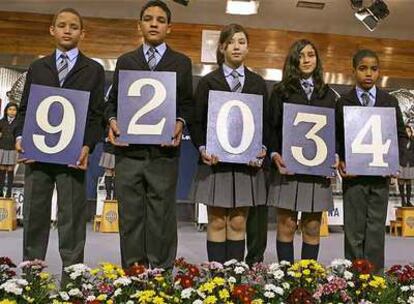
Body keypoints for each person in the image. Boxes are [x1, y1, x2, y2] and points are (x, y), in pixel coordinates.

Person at [15, 8, 105, 281]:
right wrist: (21, 138)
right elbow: (24, 109)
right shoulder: (37, 67)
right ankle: (30, 283)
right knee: (34, 218)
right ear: (52, 30)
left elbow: (97, 115)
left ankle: (72, 283)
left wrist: (87, 146)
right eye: (62, 25)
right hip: (37, 157)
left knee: (73, 222)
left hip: (73, 158)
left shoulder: (94, 70)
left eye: (74, 26)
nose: (68, 30)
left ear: (82, 33)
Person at [105, 0, 193, 269]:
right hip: (129, 153)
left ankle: (161, 274)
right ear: (139, 25)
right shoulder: (126, 61)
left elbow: (188, 103)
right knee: (130, 216)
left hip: (164, 155)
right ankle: (133, 274)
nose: (154, 23)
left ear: (169, 27)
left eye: (160, 19)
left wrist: (180, 121)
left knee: (162, 216)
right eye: (148, 18)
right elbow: (112, 102)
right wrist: (112, 120)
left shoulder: (181, 62)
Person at [190, 23, 268, 263]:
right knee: (216, 220)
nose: (237, 46)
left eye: (242, 42)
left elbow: (265, 124)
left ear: (247, 48)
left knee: (237, 221)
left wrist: (263, 148)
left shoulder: (257, 83)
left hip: (246, 166)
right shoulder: (208, 82)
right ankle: (216, 280)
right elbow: (196, 122)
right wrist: (203, 149)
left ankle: (234, 283)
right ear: (222, 47)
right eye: (232, 42)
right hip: (215, 165)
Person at [267, 39, 338, 263]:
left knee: (313, 226)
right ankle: (285, 279)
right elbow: (271, 128)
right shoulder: (280, 91)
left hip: (317, 172)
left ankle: (306, 280)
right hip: (288, 169)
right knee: (286, 224)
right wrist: (274, 154)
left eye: (311, 55)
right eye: (301, 55)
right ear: (293, 60)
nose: (306, 59)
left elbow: (336, 132)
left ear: (317, 60)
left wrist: (334, 155)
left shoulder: (328, 94)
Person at [336, 49, 407, 272]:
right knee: (354, 230)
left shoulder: (389, 101)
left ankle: (375, 278)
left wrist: (396, 161)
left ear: (379, 72)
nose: (368, 73)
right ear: (354, 70)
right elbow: (337, 137)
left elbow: (401, 134)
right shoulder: (343, 102)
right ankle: (354, 278)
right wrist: (341, 160)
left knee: (376, 229)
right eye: (363, 68)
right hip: (354, 178)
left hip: (380, 177)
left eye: (373, 69)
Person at [0, 102, 19, 197]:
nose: (12, 112)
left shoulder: (18, 123)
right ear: (6, 111)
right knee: (2, 169)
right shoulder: (2, 121)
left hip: (12, 149)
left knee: (10, 170)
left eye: (14, 110)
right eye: (10, 109)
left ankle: (8, 193)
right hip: (2, 147)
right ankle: (0, 191)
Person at [398, 125, 414, 207]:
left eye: (409, 131)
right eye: (406, 131)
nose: (408, 133)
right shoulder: (400, 141)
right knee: (401, 181)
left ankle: (408, 201)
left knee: (408, 182)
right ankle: (402, 200)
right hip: (402, 162)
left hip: (410, 163)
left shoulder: (413, 141)